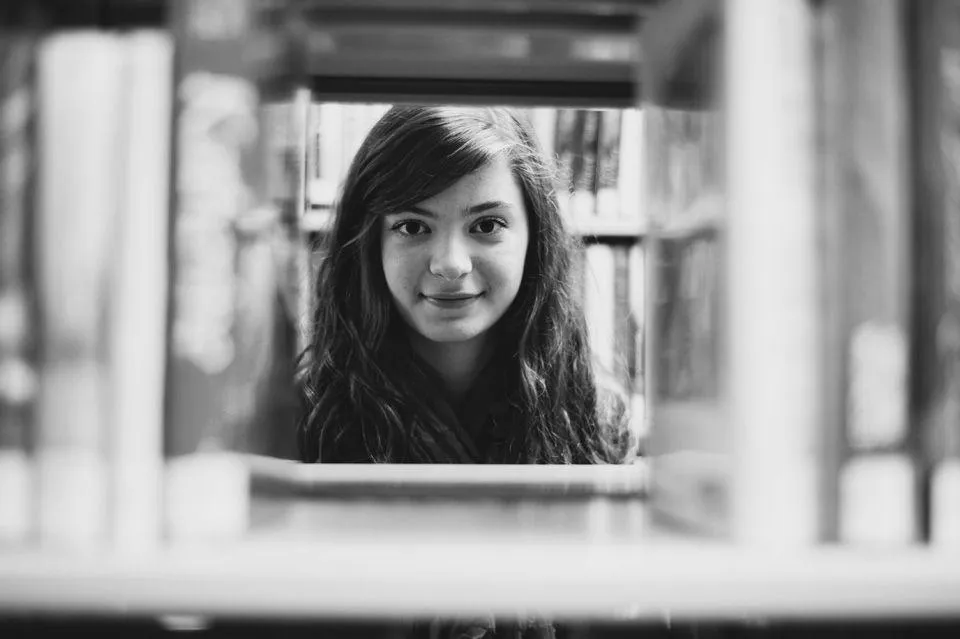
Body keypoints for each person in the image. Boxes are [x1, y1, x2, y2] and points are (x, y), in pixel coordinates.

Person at [296, 104, 636, 466]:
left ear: (535, 238)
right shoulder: (302, 413)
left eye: (487, 225)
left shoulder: (596, 415)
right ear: (369, 243)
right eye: (413, 226)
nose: (451, 265)